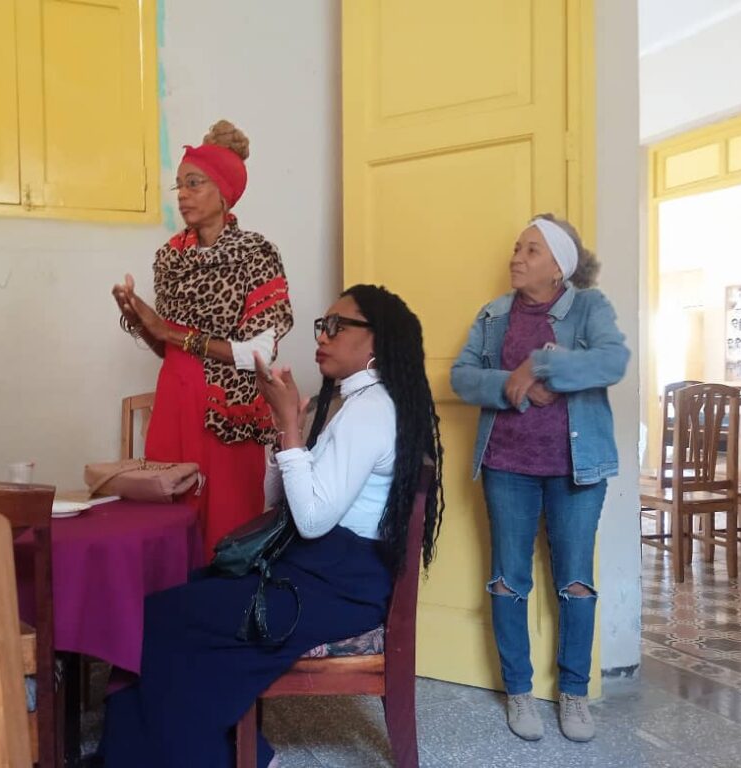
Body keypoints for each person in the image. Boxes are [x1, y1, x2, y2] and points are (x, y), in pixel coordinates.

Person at [100, 284, 445, 767]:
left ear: (376, 340)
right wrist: (284, 433)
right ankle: (214, 753)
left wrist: (290, 430)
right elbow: (282, 504)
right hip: (319, 571)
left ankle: (223, 757)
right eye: (322, 325)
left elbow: (312, 520)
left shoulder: (370, 411)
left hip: (338, 587)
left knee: (159, 620)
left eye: (336, 326)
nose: (321, 336)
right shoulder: (357, 404)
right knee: (172, 608)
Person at [450, 214, 629, 743]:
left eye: (530, 250)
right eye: (516, 248)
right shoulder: (493, 314)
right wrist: (516, 381)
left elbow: (612, 361)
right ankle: (519, 692)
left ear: (558, 266)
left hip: (578, 469)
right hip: (508, 465)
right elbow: (461, 377)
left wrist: (543, 366)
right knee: (508, 580)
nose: (516, 258)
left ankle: (574, 693)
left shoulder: (590, 307)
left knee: (575, 583)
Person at [113, 120, 294, 560]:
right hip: (174, 400)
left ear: (224, 192)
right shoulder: (170, 258)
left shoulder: (256, 254)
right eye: (179, 185)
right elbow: (166, 347)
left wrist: (170, 331)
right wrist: (139, 318)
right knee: (168, 521)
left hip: (226, 411)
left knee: (226, 530)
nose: (183, 195)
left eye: (194, 183)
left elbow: (259, 352)